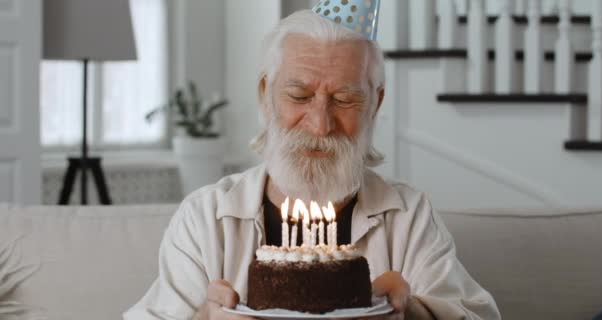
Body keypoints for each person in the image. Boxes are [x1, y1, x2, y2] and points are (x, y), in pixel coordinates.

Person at [125, 3, 500, 319]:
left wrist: (412, 314)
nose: (321, 125)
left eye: (345, 99)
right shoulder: (206, 219)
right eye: (300, 96)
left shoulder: (408, 217)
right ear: (265, 95)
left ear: (376, 104)